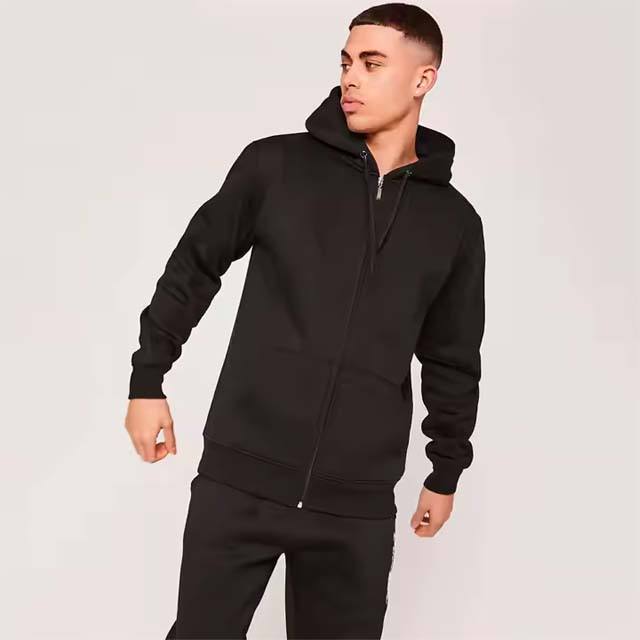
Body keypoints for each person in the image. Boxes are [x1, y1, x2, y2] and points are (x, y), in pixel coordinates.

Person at [124, 3, 485, 638]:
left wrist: (445, 468)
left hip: (355, 507)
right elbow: (195, 265)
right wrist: (148, 379)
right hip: (240, 482)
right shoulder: (276, 166)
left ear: (423, 79)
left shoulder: (454, 223)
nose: (351, 78)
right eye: (346, 62)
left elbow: (452, 356)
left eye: (372, 64)